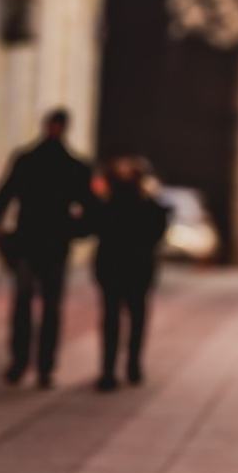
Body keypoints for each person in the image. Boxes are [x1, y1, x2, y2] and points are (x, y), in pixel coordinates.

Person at [0, 108, 94, 388]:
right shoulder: (52, 163)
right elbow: (3, 196)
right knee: (31, 303)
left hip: (42, 241)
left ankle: (36, 364)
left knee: (40, 304)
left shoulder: (51, 163)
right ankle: (29, 363)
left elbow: (3, 196)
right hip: (37, 242)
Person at [91, 155, 170, 391]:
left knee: (119, 317)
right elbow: (159, 229)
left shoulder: (114, 201)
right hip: (130, 266)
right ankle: (121, 367)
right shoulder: (139, 201)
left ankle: (119, 368)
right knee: (126, 317)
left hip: (123, 266)